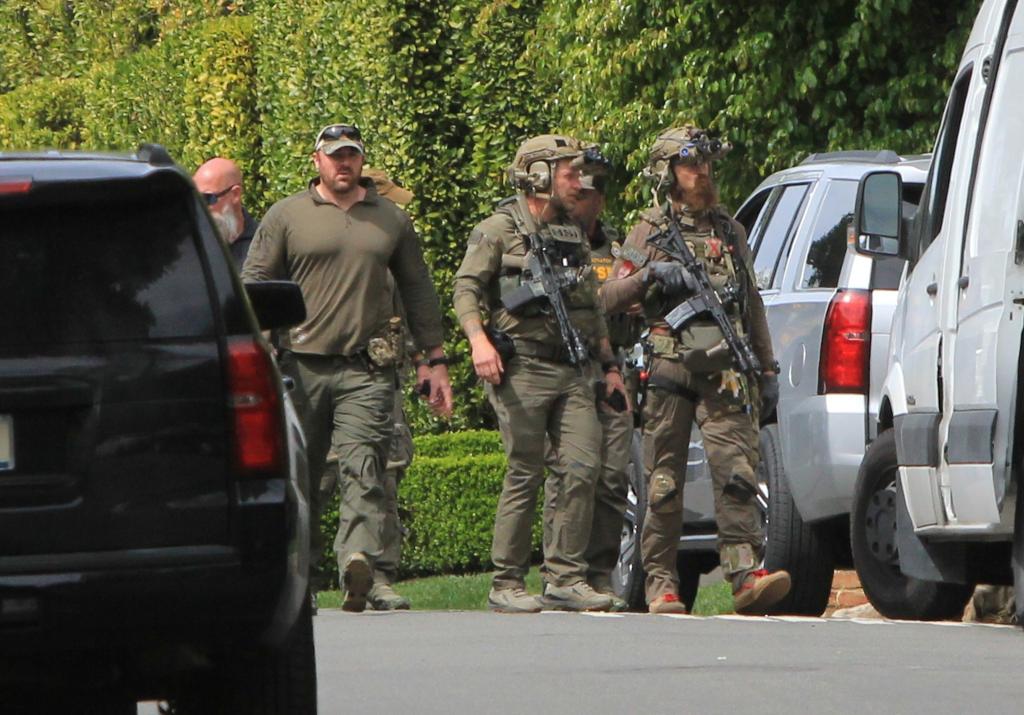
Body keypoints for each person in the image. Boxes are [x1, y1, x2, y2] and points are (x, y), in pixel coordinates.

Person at [241, 123, 453, 613]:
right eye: (335, 155)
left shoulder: (390, 219)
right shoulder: (287, 215)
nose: (344, 163)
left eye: (352, 155)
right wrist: (261, 346)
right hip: (301, 365)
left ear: (361, 160)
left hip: (367, 366)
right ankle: (303, 578)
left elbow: (418, 289)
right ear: (316, 160)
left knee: (366, 467)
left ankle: (365, 568)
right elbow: (254, 283)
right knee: (306, 475)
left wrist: (435, 360)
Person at [601, 125, 789, 615]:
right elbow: (608, 296)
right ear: (668, 174)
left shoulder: (730, 231)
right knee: (663, 482)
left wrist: (767, 371)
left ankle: (746, 574)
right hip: (669, 368)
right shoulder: (651, 229)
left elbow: (752, 304)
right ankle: (661, 583)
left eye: (706, 164)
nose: (701, 173)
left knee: (738, 474)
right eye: (690, 165)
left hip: (727, 371)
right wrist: (651, 275)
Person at [453, 134, 629, 613]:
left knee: (581, 467)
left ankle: (564, 578)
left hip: (575, 367)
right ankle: (506, 581)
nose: (579, 181)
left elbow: (592, 309)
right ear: (538, 175)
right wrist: (478, 341)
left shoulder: (574, 231)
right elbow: (466, 289)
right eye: (569, 173)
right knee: (525, 471)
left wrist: (609, 366)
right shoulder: (497, 229)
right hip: (522, 365)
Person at [541, 149, 640, 611]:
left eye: (598, 189)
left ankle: (599, 574)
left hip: (613, 364)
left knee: (614, 474)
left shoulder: (619, 247)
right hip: (567, 367)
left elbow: (634, 289)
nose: (590, 197)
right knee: (571, 470)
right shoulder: (550, 242)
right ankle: (562, 569)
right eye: (584, 186)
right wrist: (620, 292)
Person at [193, 157, 259, 267]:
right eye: (195, 199)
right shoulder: (189, 249)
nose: (200, 208)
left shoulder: (263, 248)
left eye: (207, 198)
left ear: (235, 195)